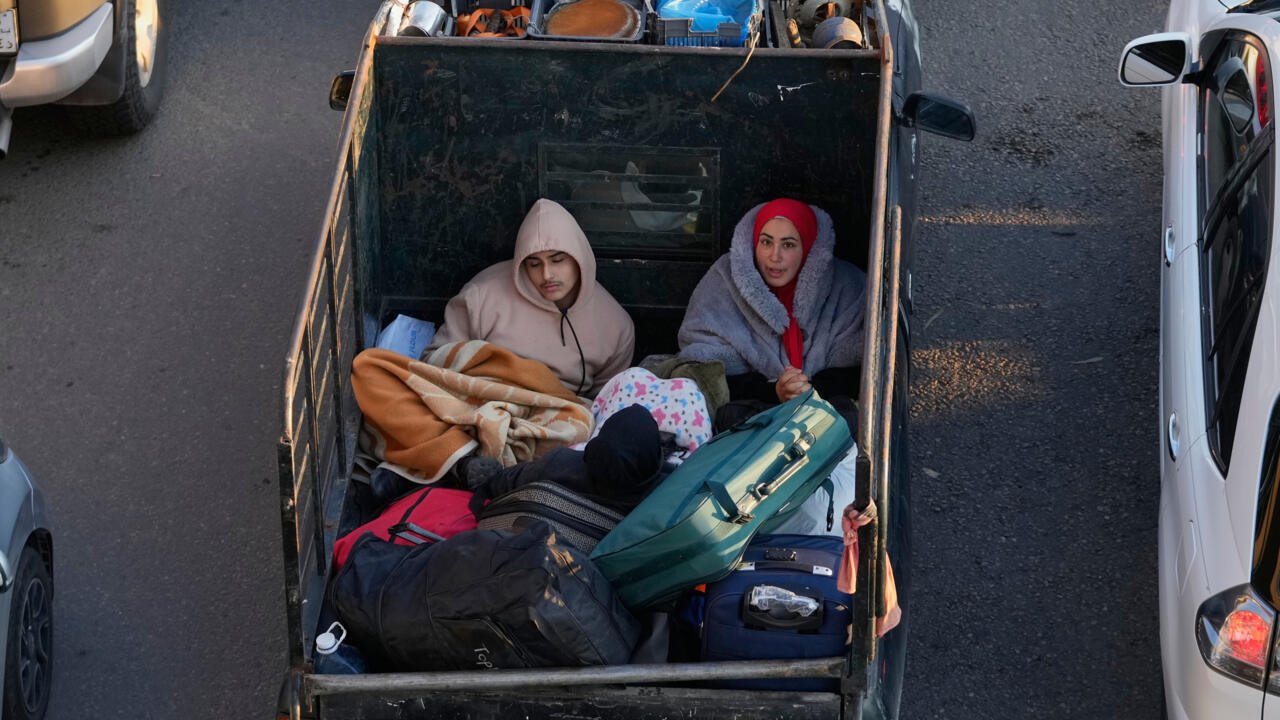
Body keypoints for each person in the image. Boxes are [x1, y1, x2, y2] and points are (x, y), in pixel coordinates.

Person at [677, 197, 866, 421]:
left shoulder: (848, 286)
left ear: (809, 247)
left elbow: (864, 369)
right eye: (766, 242)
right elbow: (702, 374)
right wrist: (773, 391)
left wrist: (808, 391)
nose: (774, 256)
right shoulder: (722, 283)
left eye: (788, 244)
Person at [425, 198, 635, 398]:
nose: (546, 275)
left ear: (580, 258)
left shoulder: (615, 324)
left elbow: (605, 403)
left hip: (564, 419)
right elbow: (433, 363)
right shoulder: (481, 296)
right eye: (534, 264)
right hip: (481, 404)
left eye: (557, 260)